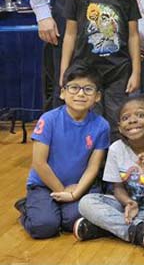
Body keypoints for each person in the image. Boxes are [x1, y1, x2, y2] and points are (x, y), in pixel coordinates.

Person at [74, 97, 144, 252]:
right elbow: (117, 187)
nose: (132, 121)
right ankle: (138, 231)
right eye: (125, 118)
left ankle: (104, 228)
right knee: (86, 202)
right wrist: (128, 202)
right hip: (124, 205)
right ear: (120, 127)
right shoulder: (115, 149)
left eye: (140, 115)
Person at [16, 64, 110, 239]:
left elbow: (93, 167)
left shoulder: (102, 125)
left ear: (97, 96)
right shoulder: (49, 119)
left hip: (77, 186)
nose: (81, 94)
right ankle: (26, 206)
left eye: (88, 89)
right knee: (44, 226)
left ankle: (53, 208)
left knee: (72, 221)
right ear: (62, 93)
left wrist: (75, 193)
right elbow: (39, 163)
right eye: (74, 88)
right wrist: (62, 191)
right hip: (44, 185)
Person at [59, 0, 141, 133]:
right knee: (88, 118)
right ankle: (91, 162)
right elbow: (70, 35)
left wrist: (136, 72)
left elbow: (133, 36)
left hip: (117, 69)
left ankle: (112, 161)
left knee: (116, 118)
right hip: (85, 68)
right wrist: (64, 70)